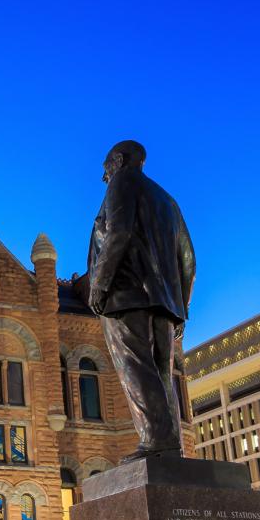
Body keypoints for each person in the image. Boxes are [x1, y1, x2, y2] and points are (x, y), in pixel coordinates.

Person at [87, 140, 196, 462]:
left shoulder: (123, 181)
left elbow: (118, 233)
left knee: (135, 367)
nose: (104, 176)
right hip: (164, 303)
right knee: (162, 375)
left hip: (126, 294)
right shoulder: (168, 201)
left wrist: (99, 285)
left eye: (106, 167)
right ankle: (168, 445)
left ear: (118, 160)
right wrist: (181, 311)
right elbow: (189, 262)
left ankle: (156, 442)